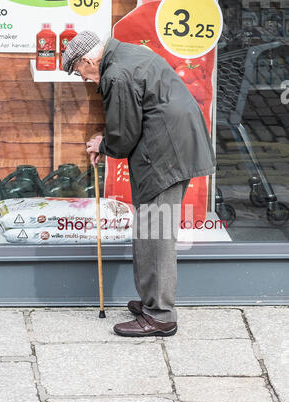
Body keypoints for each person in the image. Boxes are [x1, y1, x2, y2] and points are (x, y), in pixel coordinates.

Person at [63, 31, 216, 337]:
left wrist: (102, 144)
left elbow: (123, 137)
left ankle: (160, 315)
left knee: (154, 234)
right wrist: (108, 140)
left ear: (88, 60)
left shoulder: (116, 73)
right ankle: (152, 302)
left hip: (166, 153)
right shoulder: (127, 54)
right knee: (151, 230)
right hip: (172, 146)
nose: (84, 79)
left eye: (79, 72)